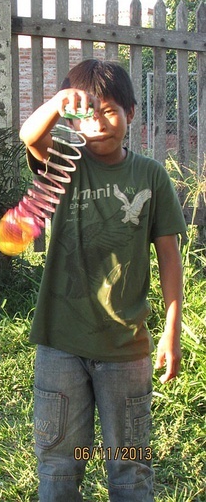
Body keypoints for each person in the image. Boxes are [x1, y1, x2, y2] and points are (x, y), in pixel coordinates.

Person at [19, 59, 187, 502]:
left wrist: (171, 331)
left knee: (129, 463)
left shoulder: (150, 176)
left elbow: (169, 258)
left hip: (126, 347)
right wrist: (58, 104)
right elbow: (30, 137)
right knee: (58, 463)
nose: (98, 122)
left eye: (109, 110)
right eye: (87, 112)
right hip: (61, 341)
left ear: (131, 113)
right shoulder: (65, 165)